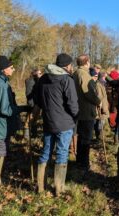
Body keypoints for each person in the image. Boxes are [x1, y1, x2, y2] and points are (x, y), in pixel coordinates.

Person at [35, 53, 78, 196]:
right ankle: (59, 188)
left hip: (48, 121)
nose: (72, 67)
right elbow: (73, 104)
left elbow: (38, 101)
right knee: (62, 153)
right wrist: (75, 116)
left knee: (45, 152)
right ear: (67, 66)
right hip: (64, 124)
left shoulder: (43, 79)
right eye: (71, 65)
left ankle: (41, 187)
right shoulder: (66, 80)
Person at [0, 56, 27, 185]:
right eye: (11, 67)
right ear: (3, 70)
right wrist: (21, 109)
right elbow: (4, 109)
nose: (13, 69)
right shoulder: (0, 84)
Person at [72, 54, 101, 171]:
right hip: (86, 111)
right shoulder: (83, 74)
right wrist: (97, 100)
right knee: (86, 138)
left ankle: (80, 161)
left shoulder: (75, 73)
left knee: (81, 137)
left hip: (79, 109)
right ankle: (83, 164)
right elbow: (87, 92)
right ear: (87, 62)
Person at [24, 68, 42, 138]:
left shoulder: (38, 81)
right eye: (39, 73)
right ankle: (26, 136)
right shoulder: (30, 81)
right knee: (28, 120)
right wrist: (31, 105)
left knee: (35, 120)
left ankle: (34, 134)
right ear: (34, 74)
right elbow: (28, 93)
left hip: (38, 104)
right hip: (33, 104)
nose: (41, 74)